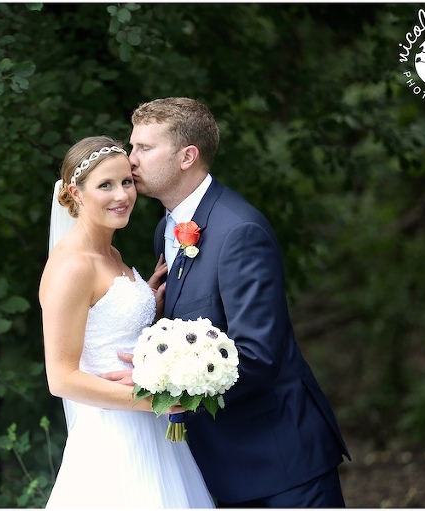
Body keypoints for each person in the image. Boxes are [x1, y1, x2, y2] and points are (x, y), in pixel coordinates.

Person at [103, 98, 352, 507]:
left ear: (187, 157)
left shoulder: (240, 231)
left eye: (144, 148)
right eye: (132, 147)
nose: (130, 160)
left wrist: (157, 383)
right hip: (219, 464)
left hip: (279, 461)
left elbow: (257, 355)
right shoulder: (166, 228)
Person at [39, 135, 215, 508]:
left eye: (126, 182)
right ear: (76, 192)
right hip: (114, 436)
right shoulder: (72, 266)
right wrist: (153, 401)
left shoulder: (110, 252)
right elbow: (61, 379)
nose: (122, 195)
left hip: (150, 427)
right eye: (105, 185)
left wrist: (145, 301)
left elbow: (104, 319)